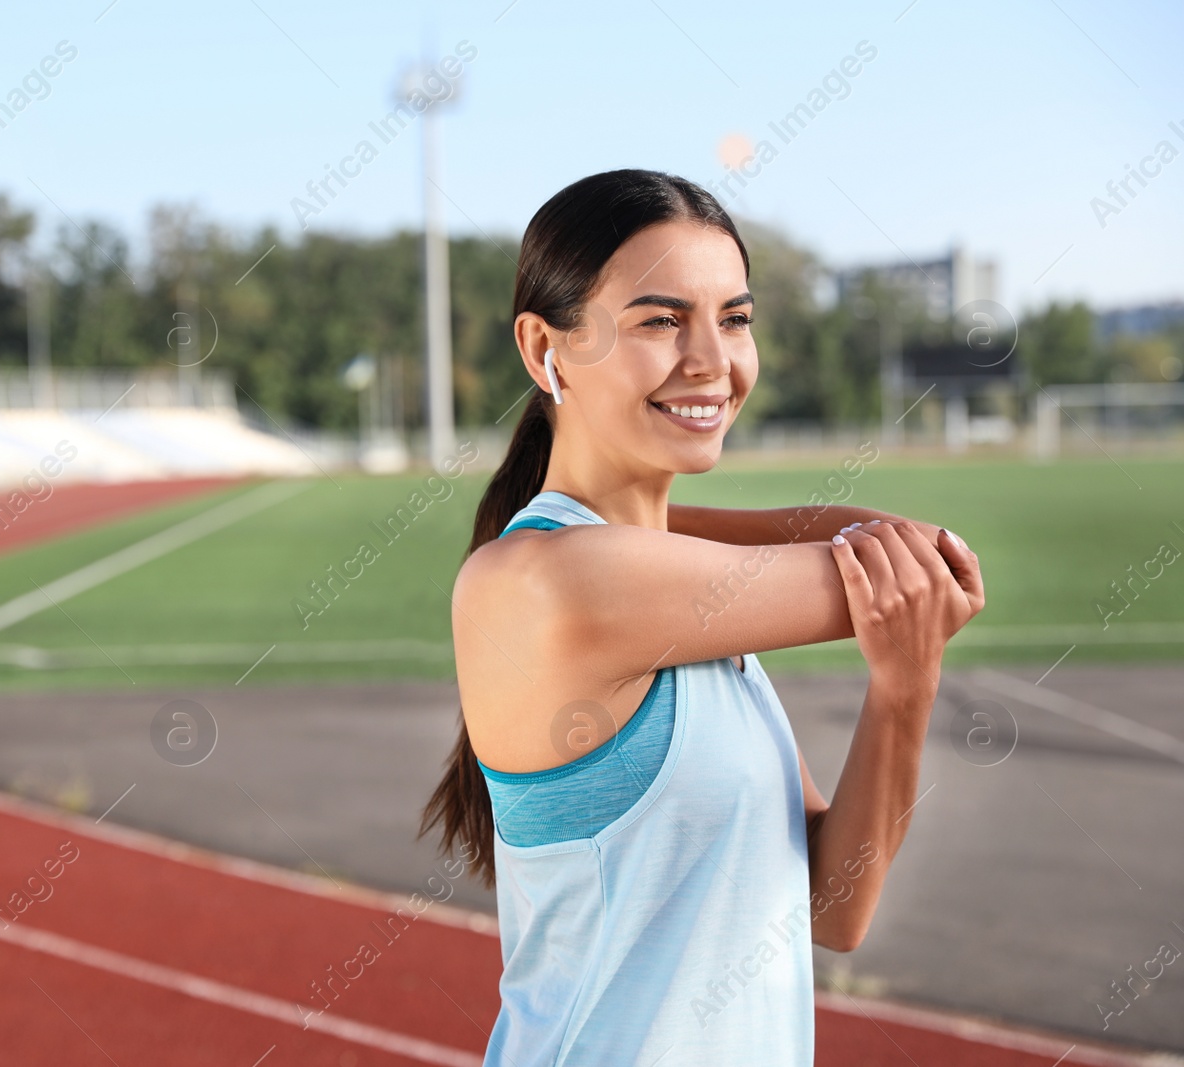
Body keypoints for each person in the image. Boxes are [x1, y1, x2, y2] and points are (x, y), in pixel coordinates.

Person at [420, 169, 985, 1065]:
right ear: (543, 349)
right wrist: (905, 647)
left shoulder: (683, 595)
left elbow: (834, 908)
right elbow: (926, 560)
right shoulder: (550, 579)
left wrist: (903, 692)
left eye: (734, 317)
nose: (712, 359)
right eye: (659, 319)